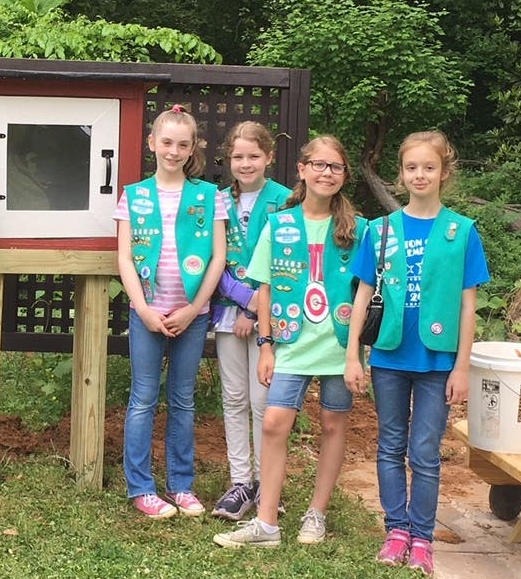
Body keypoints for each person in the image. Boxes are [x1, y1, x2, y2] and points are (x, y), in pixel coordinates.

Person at [345, 131, 488, 575]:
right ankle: (396, 531)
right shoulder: (379, 229)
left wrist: (462, 367)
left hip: (437, 360)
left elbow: (468, 306)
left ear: (444, 172)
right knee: (389, 446)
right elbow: (364, 294)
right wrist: (353, 354)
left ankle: (422, 539)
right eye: (411, 167)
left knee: (424, 451)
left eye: (429, 167)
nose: (420, 175)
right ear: (401, 174)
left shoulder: (461, 232)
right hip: (388, 355)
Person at [214, 135, 367, 549]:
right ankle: (266, 523)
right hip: (291, 344)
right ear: (301, 170)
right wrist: (266, 345)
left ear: (344, 175)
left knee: (334, 424)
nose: (326, 173)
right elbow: (262, 288)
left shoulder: (360, 231)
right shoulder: (280, 223)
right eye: (318, 164)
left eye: (335, 167)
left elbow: (365, 293)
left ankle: (316, 513)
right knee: (274, 423)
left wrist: (355, 354)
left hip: (338, 346)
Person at [116, 105, 228, 519]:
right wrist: (143, 310)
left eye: (183, 144)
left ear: (193, 147)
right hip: (146, 315)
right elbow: (125, 258)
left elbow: (218, 257)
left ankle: (181, 485)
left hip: (192, 316)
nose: (174, 150)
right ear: (152, 144)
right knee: (143, 398)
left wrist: (195, 308)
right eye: (166, 142)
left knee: (182, 399)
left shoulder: (209, 196)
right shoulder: (135, 194)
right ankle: (141, 487)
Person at [209, 122, 291, 521]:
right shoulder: (218, 201)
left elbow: (287, 261)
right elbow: (213, 255)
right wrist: (240, 301)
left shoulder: (286, 200)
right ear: (228, 159)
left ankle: (266, 482)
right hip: (227, 311)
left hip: (269, 317)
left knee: (264, 402)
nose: (245, 164)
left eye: (253, 156)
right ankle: (241, 481)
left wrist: (253, 309)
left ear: (269, 158)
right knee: (235, 397)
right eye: (238, 157)